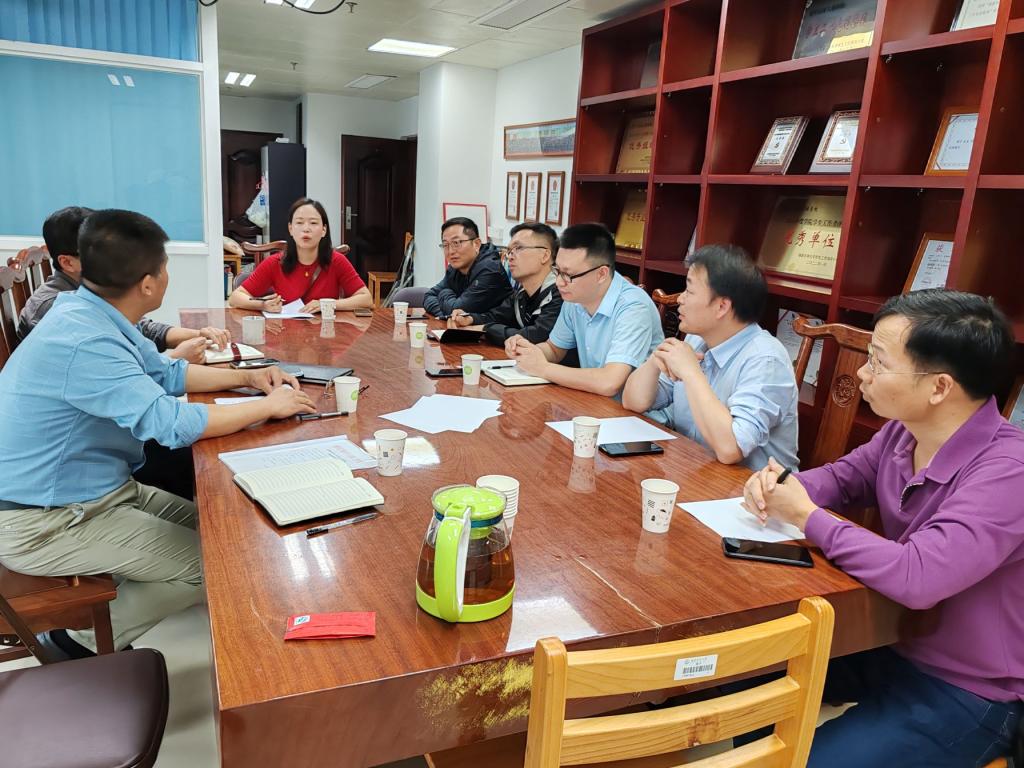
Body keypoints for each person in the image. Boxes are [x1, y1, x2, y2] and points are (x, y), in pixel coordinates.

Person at [0, 209, 316, 660]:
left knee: (220, 532)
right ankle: (73, 645)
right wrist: (267, 406)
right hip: (45, 521)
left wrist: (249, 378)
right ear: (148, 284)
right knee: (209, 566)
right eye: (165, 266)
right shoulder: (85, 339)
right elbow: (171, 425)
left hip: (97, 495)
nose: (168, 275)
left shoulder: (91, 312)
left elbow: (166, 373)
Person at [741, 289, 1023, 767]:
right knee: (742, 678)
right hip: (884, 640)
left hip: (967, 687)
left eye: (878, 361)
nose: (862, 373)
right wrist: (780, 484)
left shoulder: (1009, 471)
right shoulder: (902, 432)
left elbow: (919, 576)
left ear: (939, 387)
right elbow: (841, 479)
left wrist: (807, 516)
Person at [622, 244, 798, 470]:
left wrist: (691, 373)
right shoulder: (697, 339)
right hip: (695, 471)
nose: (680, 299)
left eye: (689, 291)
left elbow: (730, 448)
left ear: (722, 306)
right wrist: (656, 361)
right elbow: (633, 402)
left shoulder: (766, 360)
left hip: (750, 487)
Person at [18, 206, 229, 363]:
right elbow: (102, 369)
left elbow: (139, 328)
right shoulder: (55, 309)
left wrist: (198, 335)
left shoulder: (95, 288)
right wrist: (174, 358)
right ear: (67, 262)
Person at [507, 222, 663, 398]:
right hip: (592, 400)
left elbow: (610, 382)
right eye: (557, 271)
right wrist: (527, 351)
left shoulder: (633, 307)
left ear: (601, 274)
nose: (559, 282)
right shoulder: (575, 297)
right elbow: (554, 349)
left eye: (568, 275)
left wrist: (543, 368)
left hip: (631, 411)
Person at [229, 197, 372, 314]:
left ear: (324, 230)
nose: (306, 229)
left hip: (326, 334)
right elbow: (235, 298)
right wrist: (263, 305)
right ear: (290, 228)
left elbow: (366, 299)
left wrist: (327, 304)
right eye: (299, 222)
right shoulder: (275, 262)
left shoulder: (336, 260)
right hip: (285, 334)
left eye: (313, 223)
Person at [447, 222, 564, 347]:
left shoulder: (562, 293)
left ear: (545, 255)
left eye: (518, 248)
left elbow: (536, 336)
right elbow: (497, 316)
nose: (510, 257)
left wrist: (485, 329)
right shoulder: (521, 293)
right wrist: (469, 319)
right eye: (509, 251)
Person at [423, 217, 511, 319]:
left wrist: (444, 293)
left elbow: (458, 310)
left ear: (476, 244)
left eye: (456, 243)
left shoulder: (490, 270)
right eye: (445, 245)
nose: (450, 251)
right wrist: (447, 315)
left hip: (497, 328)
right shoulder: (455, 268)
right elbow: (428, 296)